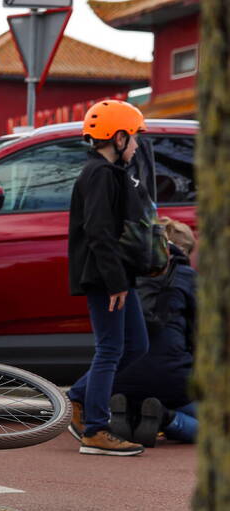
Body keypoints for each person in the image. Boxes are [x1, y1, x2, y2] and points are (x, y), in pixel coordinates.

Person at [66, 100, 151, 456]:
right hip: (105, 277)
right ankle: (96, 430)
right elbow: (99, 231)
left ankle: (80, 397)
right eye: (133, 139)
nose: (135, 146)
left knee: (136, 346)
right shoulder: (99, 174)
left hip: (116, 276)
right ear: (117, 137)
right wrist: (116, 281)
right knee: (111, 349)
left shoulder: (110, 172)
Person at [110, 217, 197, 445]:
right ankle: (167, 418)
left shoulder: (125, 273)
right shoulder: (188, 277)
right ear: (185, 250)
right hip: (171, 379)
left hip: (120, 373)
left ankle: (126, 413)